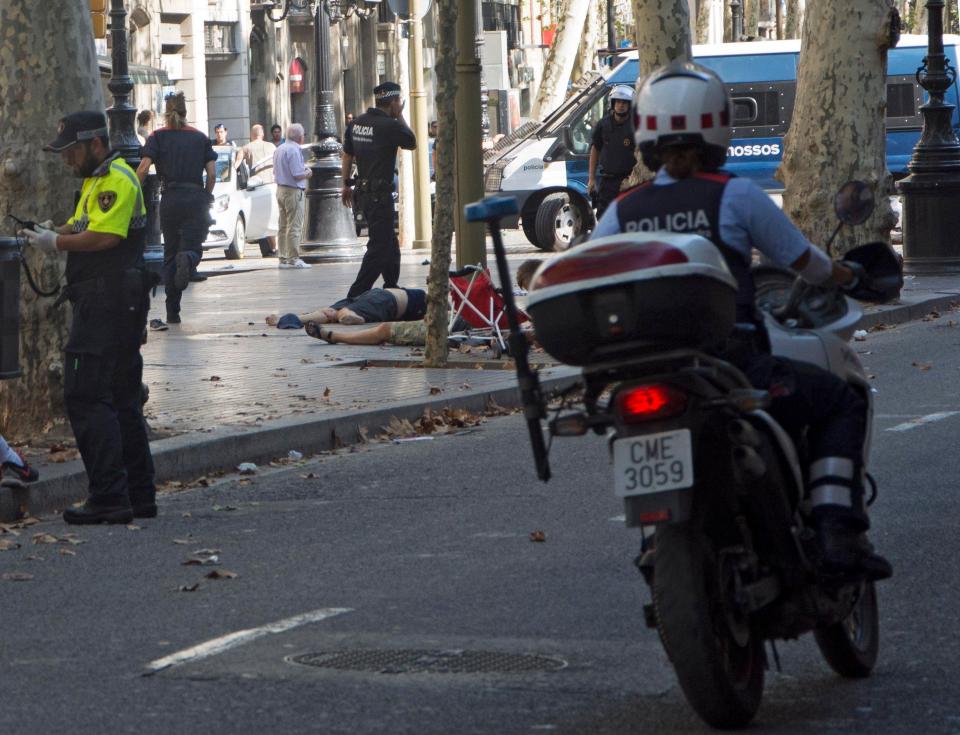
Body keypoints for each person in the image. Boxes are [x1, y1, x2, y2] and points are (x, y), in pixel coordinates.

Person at [592, 60, 890, 581]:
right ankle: (837, 527)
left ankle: (653, 538)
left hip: (650, 370)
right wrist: (845, 275)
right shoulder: (736, 195)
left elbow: (591, 269)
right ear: (717, 126)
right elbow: (807, 263)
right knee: (842, 400)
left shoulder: (623, 209)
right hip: (733, 364)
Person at [20, 111, 156, 524]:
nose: (65, 161)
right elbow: (87, 224)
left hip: (107, 302)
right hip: (116, 300)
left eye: (71, 152)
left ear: (95, 144)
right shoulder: (97, 180)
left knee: (85, 394)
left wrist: (55, 242)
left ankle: (110, 496)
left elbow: (106, 236)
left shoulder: (115, 177)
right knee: (121, 398)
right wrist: (51, 229)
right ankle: (137, 495)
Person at [312, 260, 540, 347]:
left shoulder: (538, 313)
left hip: (463, 326)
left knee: (385, 330)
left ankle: (335, 336)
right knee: (386, 327)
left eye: (526, 285)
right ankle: (331, 328)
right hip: (462, 322)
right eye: (525, 286)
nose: (528, 291)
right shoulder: (533, 310)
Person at [137, 92, 217, 326]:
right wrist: (206, 195)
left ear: (166, 113)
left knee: (170, 254)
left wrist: (132, 193)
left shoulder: (157, 137)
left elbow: (143, 168)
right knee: (193, 248)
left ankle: (173, 312)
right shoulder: (200, 138)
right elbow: (211, 174)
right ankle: (189, 259)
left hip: (170, 198)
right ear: (185, 112)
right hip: (195, 198)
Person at [341, 81, 416, 298]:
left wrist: (345, 184)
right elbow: (411, 142)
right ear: (393, 102)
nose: (399, 105)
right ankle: (356, 294)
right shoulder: (390, 126)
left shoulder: (356, 124)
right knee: (379, 246)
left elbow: (347, 155)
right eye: (398, 102)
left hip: (362, 193)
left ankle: (391, 285)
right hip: (380, 195)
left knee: (389, 242)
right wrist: (399, 116)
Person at [267, 286, 428, 329]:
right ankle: (347, 315)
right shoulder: (429, 300)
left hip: (378, 294)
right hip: (387, 302)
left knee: (330, 312)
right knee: (343, 313)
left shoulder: (421, 295)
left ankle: (291, 319)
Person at [587, 85, 637, 221]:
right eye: (618, 102)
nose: (621, 105)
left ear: (630, 105)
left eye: (624, 102)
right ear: (613, 103)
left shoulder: (636, 125)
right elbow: (595, 148)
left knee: (629, 219)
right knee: (604, 218)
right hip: (607, 182)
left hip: (629, 182)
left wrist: (634, 179)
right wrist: (591, 179)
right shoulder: (603, 125)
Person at [273, 123, 312, 269]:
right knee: (295, 226)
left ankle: (283, 257)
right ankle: (294, 258)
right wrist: (308, 173)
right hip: (293, 191)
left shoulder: (280, 149)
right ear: (300, 137)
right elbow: (297, 174)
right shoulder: (294, 150)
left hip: (281, 189)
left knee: (283, 226)